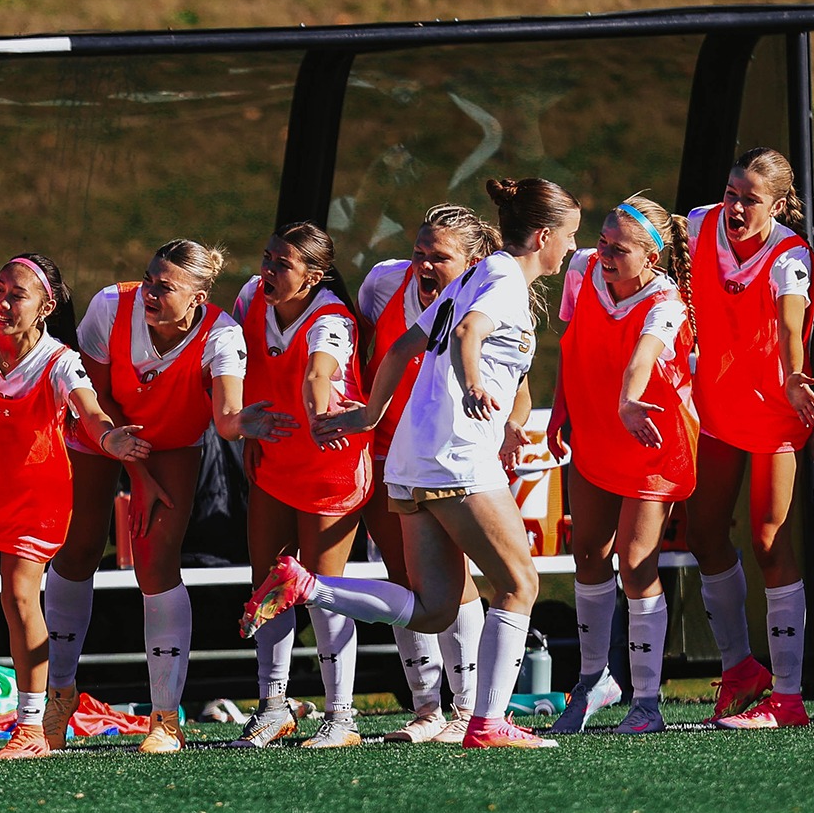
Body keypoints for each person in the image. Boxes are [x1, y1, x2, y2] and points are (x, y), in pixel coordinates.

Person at [244, 177, 582, 751]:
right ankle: (488, 722)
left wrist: (369, 418)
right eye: (570, 236)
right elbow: (469, 334)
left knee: (431, 609)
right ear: (545, 235)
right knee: (519, 584)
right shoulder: (502, 280)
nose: (573, 249)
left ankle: (306, 584)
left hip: (409, 458)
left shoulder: (477, 275)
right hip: (456, 455)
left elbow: (404, 348)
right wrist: (474, 384)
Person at [43, 239, 289, 754]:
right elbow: (95, 394)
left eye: (166, 287)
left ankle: (165, 720)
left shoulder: (223, 334)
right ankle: (57, 697)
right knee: (79, 547)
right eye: (149, 279)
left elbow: (226, 416)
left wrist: (246, 424)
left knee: (156, 563)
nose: (150, 292)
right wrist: (134, 469)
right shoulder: (111, 304)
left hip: (172, 443)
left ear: (198, 298)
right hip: (103, 425)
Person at [0, 254, 147, 759]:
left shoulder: (60, 360)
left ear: (46, 306)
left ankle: (30, 727)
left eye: (16, 294)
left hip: (33, 497)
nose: (2, 302)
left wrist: (109, 438)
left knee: (20, 600)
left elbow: (89, 410)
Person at [680, 149, 814, 729]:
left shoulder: (791, 255)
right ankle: (741, 670)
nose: (736, 206)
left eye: (751, 199)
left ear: (780, 205)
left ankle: (788, 698)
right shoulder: (698, 224)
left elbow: (791, 325)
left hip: (773, 412)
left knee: (768, 540)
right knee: (703, 531)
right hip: (716, 406)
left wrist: (793, 377)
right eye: (732, 192)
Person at [545, 195, 696, 735]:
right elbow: (569, 344)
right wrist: (560, 409)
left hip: (649, 436)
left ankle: (647, 701)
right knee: (587, 552)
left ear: (651, 258)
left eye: (620, 248)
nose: (603, 254)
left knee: (636, 564)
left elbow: (643, 357)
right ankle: (593, 681)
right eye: (603, 242)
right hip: (593, 428)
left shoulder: (667, 300)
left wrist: (629, 399)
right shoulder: (583, 268)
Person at [352, 207, 502, 745]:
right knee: (402, 578)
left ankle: (468, 709)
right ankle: (425, 709)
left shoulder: (491, 296)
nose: (424, 263)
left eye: (439, 256)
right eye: (420, 251)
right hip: (392, 455)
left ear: (473, 261)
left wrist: (508, 432)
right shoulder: (386, 281)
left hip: (452, 457)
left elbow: (513, 375)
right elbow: (370, 349)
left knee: (457, 581)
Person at [230, 223, 372, 748]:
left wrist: (316, 414)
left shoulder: (331, 317)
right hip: (275, 459)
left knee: (322, 593)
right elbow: (239, 359)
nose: (267, 270)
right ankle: (272, 707)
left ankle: (341, 717)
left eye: (281, 264)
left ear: (313, 277)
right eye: (266, 257)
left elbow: (318, 375)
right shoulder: (251, 297)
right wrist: (245, 422)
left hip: (328, 466)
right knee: (268, 585)